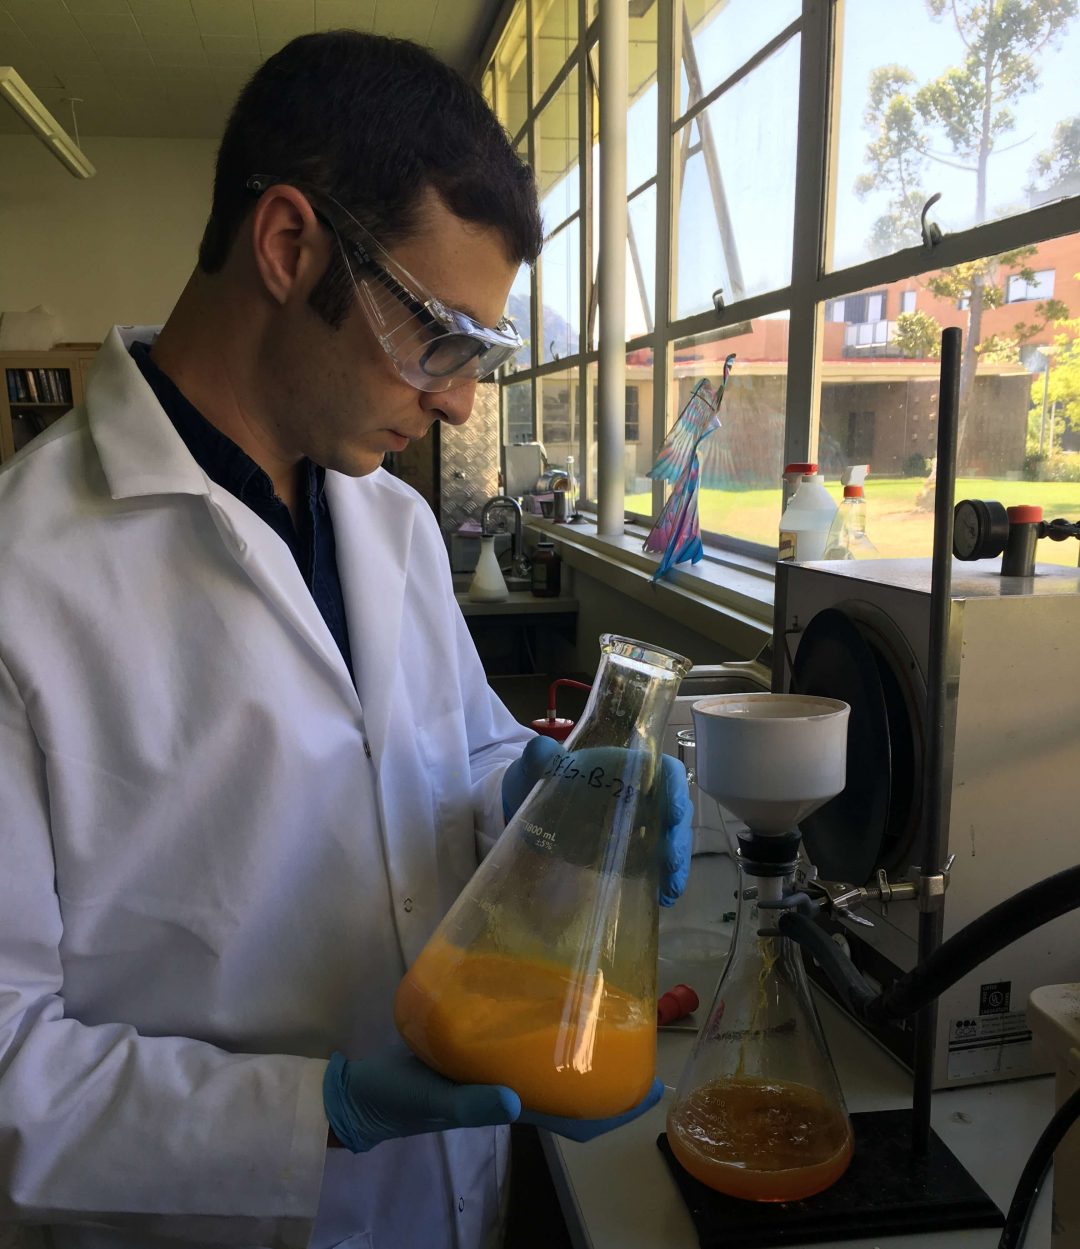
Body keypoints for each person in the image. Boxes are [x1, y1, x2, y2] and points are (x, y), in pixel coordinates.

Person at [0, 30, 692, 1249]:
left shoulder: (395, 523)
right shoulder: (25, 579)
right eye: (440, 333)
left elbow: (450, 776)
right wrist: (315, 1112)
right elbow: (8, 1065)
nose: (462, 397)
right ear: (287, 246)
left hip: (455, 1211)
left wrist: (536, 801)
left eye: (481, 349)